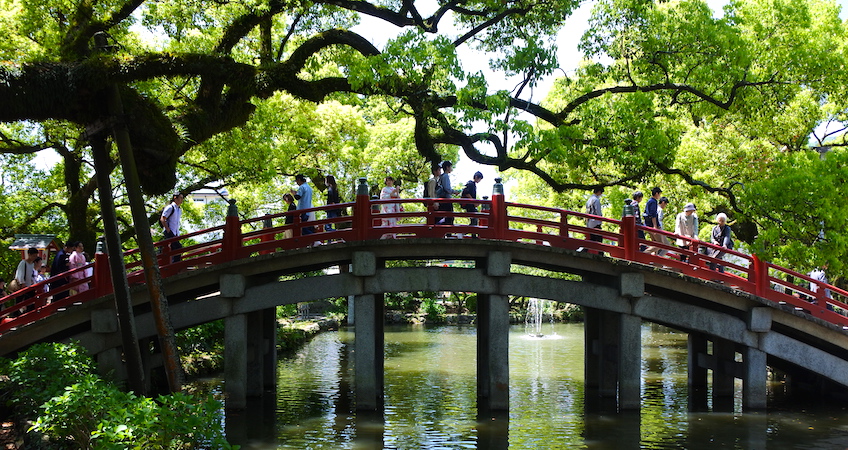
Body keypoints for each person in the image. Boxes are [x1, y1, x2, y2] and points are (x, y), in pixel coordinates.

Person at [160, 191, 185, 262]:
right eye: (180, 198)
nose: (181, 200)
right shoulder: (170, 207)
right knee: (178, 247)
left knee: (175, 249)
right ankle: (175, 264)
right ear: (175, 198)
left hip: (175, 232)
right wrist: (168, 230)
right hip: (170, 231)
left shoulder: (179, 210)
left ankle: (175, 264)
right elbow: (162, 218)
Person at [435, 160, 458, 225]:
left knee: (442, 216)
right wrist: (454, 191)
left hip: (442, 199)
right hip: (446, 199)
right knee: (450, 217)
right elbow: (447, 188)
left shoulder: (441, 176)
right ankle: (448, 233)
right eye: (450, 167)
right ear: (447, 167)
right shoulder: (445, 176)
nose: (451, 168)